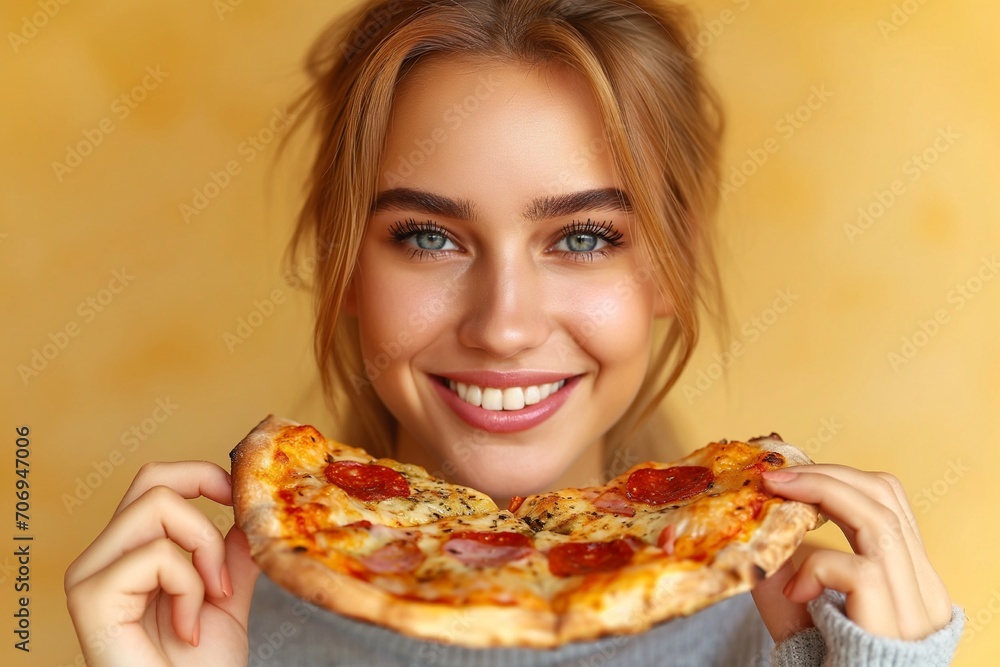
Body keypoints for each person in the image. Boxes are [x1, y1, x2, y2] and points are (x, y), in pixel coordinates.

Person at [65, 1, 963, 665]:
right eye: (428, 236)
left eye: (582, 238)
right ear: (342, 264)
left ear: (672, 267)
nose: (503, 326)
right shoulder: (197, 629)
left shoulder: (810, 635)